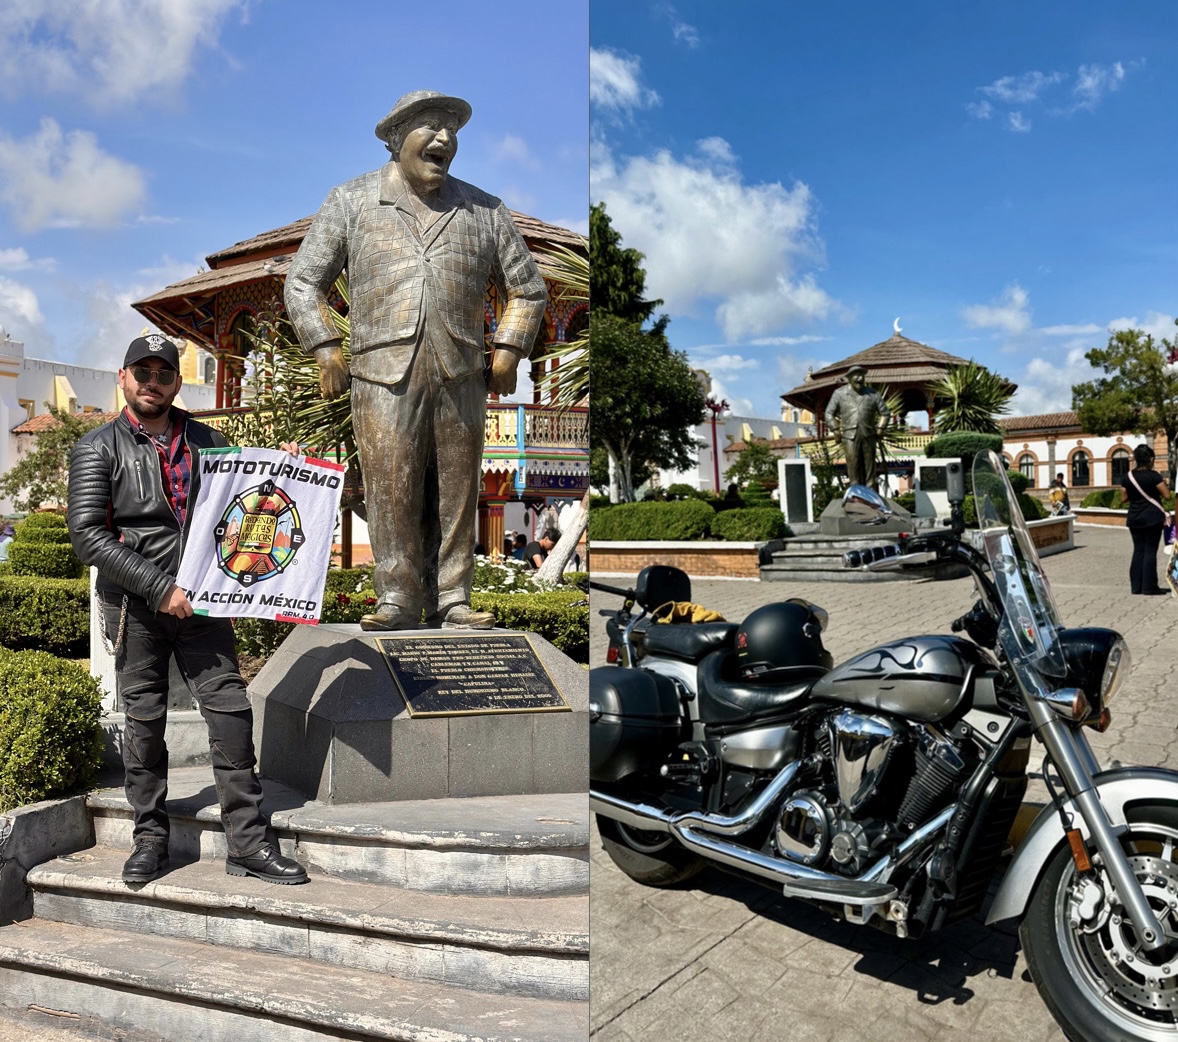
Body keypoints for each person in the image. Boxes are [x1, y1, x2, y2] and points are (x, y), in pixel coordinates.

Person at [285, 89, 547, 632]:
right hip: (382, 375)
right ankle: (398, 596)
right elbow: (303, 282)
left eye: (452, 130)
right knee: (391, 488)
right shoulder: (351, 201)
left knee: (458, 491)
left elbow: (528, 288)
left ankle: (453, 597)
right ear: (394, 138)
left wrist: (508, 349)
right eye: (431, 125)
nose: (444, 138)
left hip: (461, 373)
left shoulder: (486, 210)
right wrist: (325, 346)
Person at [67, 335, 308, 886]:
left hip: (202, 605)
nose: (152, 382)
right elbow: (87, 535)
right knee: (144, 723)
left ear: (178, 382)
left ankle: (247, 843)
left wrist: (285, 467)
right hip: (135, 608)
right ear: (123, 377)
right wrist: (158, 587)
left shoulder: (208, 441)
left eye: (163, 374)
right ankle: (149, 839)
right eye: (142, 372)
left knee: (231, 713)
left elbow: (248, 499)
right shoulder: (97, 448)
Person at [824, 364, 891, 490]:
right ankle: (856, 492)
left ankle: (870, 492)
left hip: (868, 435)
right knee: (853, 464)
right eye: (856, 376)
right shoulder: (839, 394)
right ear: (849, 378)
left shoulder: (873, 394)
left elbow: (885, 413)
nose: (860, 378)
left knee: (870, 466)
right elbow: (829, 413)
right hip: (849, 436)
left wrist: (881, 428)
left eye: (862, 376)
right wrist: (835, 430)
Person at [1118, 443, 1171, 595]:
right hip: (1152, 518)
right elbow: (1167, 495)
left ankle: (1136, 587)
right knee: (1150, 552)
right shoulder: (1154, 476)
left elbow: (1123, 498)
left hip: (1134, 518)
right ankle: (1149, 587)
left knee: (1138, 550)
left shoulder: (1127, 477)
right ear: (1151, 459)